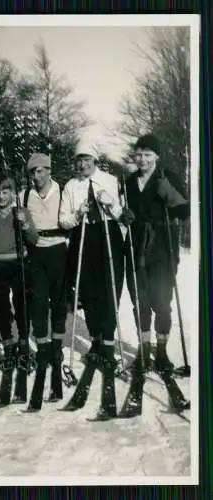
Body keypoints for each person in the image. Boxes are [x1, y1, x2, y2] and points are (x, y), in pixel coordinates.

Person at [59, 138, 134, 419]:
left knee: (109, 288)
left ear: (95, 160)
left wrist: (109, 203)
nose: (83, 165)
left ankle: (107, 341)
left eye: (87, 160)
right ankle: (95, 339)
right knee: (88, 292)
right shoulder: (70, 186)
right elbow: (63, 220)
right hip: (83, 237)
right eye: (79, 160)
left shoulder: (110, 180)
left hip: (108, 236)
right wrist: (77, 214)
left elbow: (120, 214)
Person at [124, 134, 190, 374]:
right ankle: (144, 351)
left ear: (157, 156)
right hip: (136, 248)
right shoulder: (129, 181)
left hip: (164, 249)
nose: (142, 159)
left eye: (147, 154)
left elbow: (184, 212)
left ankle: (161, 353)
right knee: (139, 302)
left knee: (162, 302)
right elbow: (126, 212)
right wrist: (125, 216)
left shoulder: (167, 177)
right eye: (139, 154)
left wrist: (169, 194)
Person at [0, 174, 38, 370]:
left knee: (22, 304)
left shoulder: (21, 211)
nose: (1, 197)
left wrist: (25, 224)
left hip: (18, 264)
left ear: (12, 193)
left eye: (5, 192)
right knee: (0, 305)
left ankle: (23, 341)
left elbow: (33, 239)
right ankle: (8, 341)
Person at [22, 152, 68, 409]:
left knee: (59, 303)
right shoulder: (25, 194)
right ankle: (42, 348)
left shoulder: (63, 191)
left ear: (49, 171)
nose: (36, 176)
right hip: (37, 252)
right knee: (38, 302)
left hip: (59, 249)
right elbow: (25, 225)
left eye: (40, 171)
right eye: (32, 172)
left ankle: (57, 347)